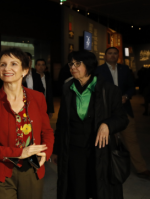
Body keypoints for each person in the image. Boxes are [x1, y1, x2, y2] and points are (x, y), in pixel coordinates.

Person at [0, 48, 54, 199]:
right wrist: (19, 153)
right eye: (3, 64)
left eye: (13, 64)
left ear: (25, 70)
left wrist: (46, 152)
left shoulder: (37, 98)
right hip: (0, 170)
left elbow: (47, 131)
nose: (7, 68)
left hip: (32, 169)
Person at [53, 50, 129, 199]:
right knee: (76, 190)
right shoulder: (68, 89)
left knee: (99, 189)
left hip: (100, 152)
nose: (72, 67)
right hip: (74, 152)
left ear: (89, 65)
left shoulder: (108, 90)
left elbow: (122, 118)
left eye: (77, 63)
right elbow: (62, 123)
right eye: (71, 64)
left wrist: (107, 124)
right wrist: (57, 149)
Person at [95, 47, 150, 179]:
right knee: (108, 142)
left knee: (132, 140)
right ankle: (109, 168)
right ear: (105, 56)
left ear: (118, 56)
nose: (113, 56)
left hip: (125, 110)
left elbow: (132, 87)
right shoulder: (98, 71)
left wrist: (126, 96)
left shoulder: (124, 69)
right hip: (107, 112)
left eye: (115, 53)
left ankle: (141, 168)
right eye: (110, 53)